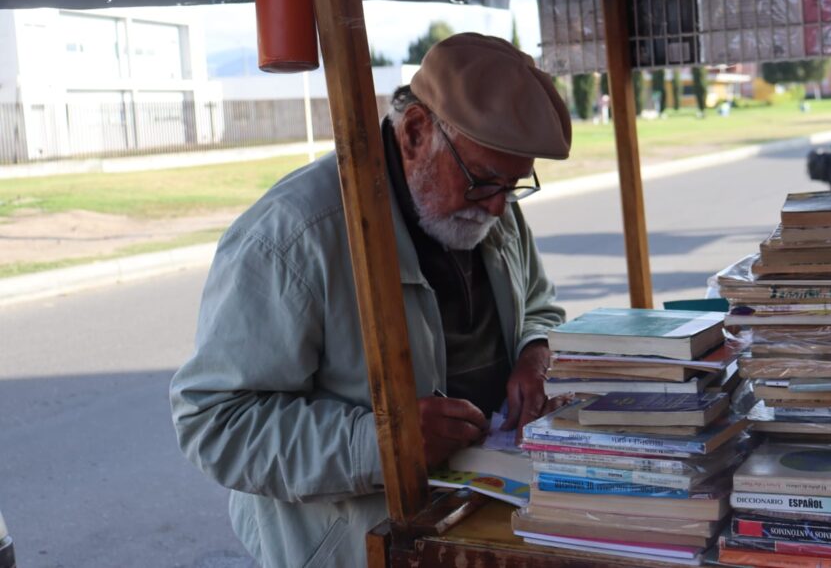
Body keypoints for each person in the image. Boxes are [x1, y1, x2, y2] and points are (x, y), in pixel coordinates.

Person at [169, 33, 573, 568]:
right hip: (357, 546)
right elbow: (215, 422)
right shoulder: (295, 236)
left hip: (476, 519)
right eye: (483, 181)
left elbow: (539, 303)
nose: (498, 208)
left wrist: (536, 351)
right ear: (414, 132)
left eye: (515, 185)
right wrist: (382, 442)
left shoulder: (489, 206)